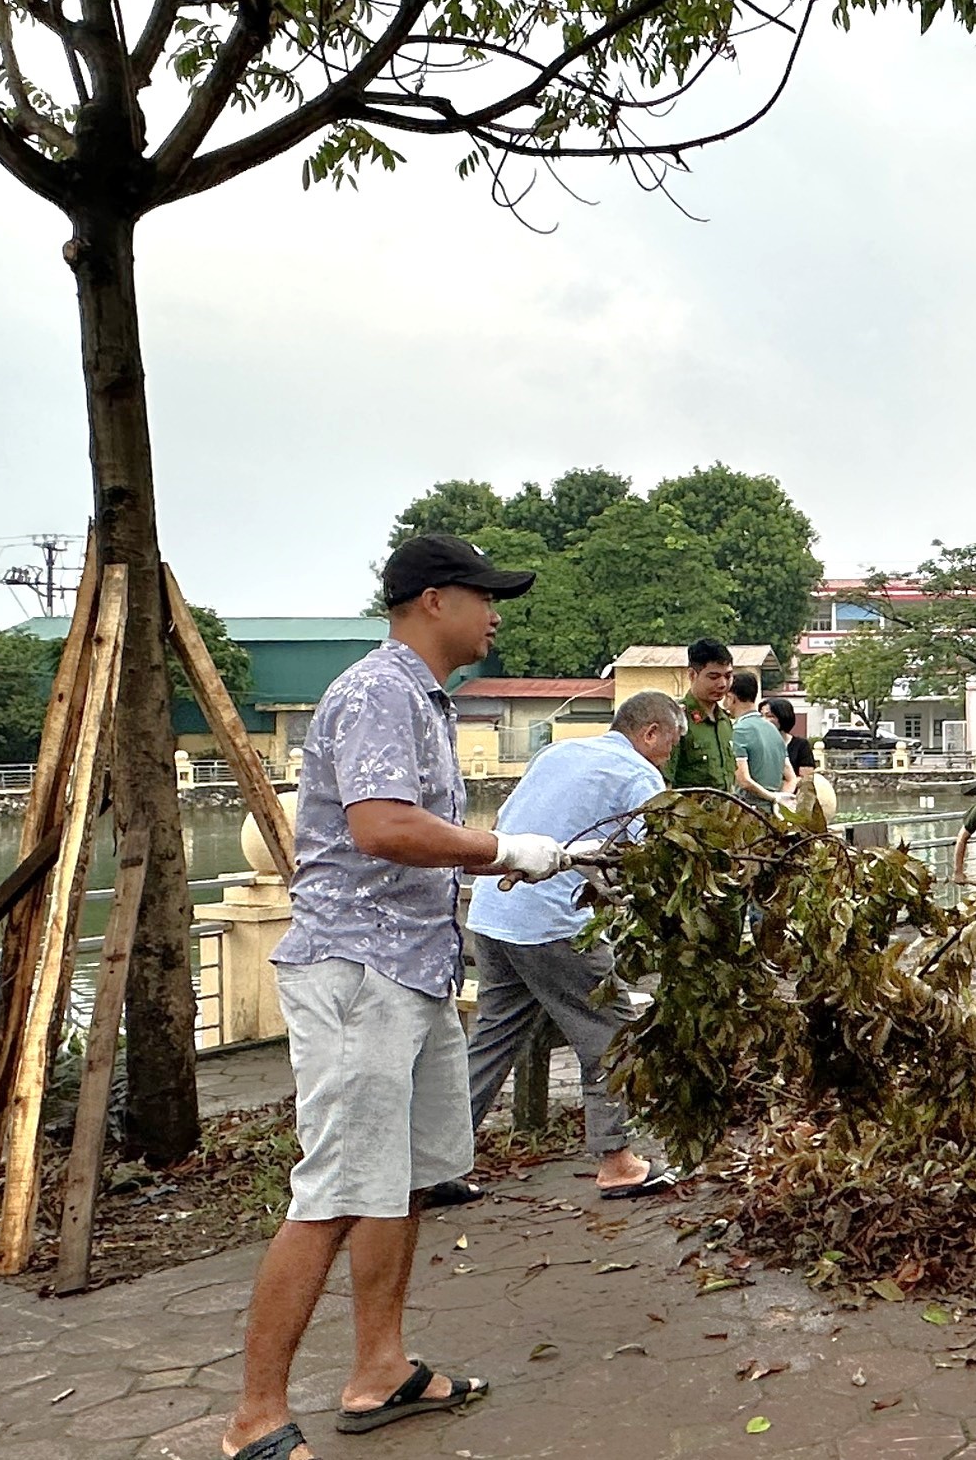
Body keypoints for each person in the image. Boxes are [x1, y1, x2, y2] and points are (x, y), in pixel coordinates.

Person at [221, 536, 568, 1460]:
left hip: (413, 968)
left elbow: (408, 828)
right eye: (485, 596)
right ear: (431, 600)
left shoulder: (421, 697)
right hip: (356, 976)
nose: (497, 613)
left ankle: (380, 1369)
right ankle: (254, 1416)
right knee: (333, 1192)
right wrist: (501, 851)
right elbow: (380, 828)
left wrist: (534, 861)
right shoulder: (378, 691)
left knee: (405, 1184)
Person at [460, 691, 686, 1200]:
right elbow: (648, 859)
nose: (673, 750)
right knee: (611, 1035)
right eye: (673, 739)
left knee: (493, 1038)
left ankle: (435, 1160)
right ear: (650, 732)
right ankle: (617, 1161)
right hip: (551, 925)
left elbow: (506, 824)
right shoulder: (640, 777)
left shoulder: (558, 752)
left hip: (493, 914)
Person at [665, 638, 737, 790]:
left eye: (728, 676)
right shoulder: (676, 720)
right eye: (713, 677)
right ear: (692, 675)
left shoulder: (725, 721)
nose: (723, 684)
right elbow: (665, 784)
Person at [729, 668, 793, 808]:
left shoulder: (739, 730)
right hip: (772, 815)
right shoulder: (773, 730)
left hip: (748, 812)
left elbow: (744, 780)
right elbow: (791, 778)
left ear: (731, 697)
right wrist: (781, 802)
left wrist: (773, 798)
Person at [768, 697, 816, 776]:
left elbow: (806, 778)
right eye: (761, 716)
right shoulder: (757, 743)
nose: (763, 720)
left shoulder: (801, 745)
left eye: (770, 716)